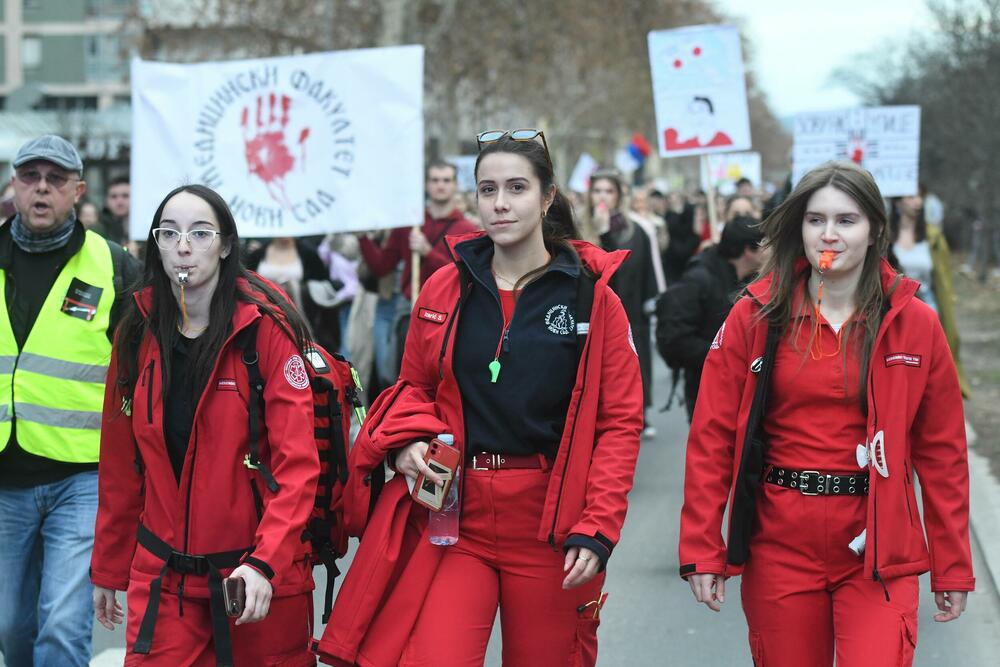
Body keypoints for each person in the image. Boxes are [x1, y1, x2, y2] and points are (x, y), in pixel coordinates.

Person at [316, 129, 643, 667]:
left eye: (516, 187)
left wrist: (599, 525)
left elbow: (619, 423)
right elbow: (412, 390)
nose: (500, 202)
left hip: (549, 523)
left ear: (547, 197)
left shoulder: (592, 296)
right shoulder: (444, 286)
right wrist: (406, 446)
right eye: (487, 189)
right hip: (454, 516)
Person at [679, 160, 975, 666]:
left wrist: (952, 564)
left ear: (875, 229)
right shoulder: (755, 313)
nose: (829, 234)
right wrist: (703, 546)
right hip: (780, 542)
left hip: (879, 545)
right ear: (798, 227)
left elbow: (943, 454)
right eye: (816, 220)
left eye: (846, 220)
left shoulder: (916, 324)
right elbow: (712, 438)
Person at [90, 185, 320, 666]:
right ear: (155, 244)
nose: (183, 245)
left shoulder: (266, 333)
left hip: (255, 582)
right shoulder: (136, 331)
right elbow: (120, 467)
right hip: (163, 580)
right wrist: (110, 567)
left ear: (227, 244)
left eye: (199, 232)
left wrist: (265, 563)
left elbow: (298, 467)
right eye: (169, 232)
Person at [0, 135, 139, 667]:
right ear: (14, 186)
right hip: (6, 478)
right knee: (12, 625)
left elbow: (141, 371)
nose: (41, 188)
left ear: (78, 192)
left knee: (62, 626)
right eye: (30, 176)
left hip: (81, 478)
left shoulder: (114, 265)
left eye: (55, 179)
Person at [656, 215, 765, 421]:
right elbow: (675, 339)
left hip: (741, 389)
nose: (771, 252)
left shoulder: (751, 281)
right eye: (765, 245)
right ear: (748, 251)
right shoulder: (698, 280)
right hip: (706, 391)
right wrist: (723, 355)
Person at [586, 170, 659, 436]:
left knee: (635, 362)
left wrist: (651, 301)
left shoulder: (634, 229)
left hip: (630, 308)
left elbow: (644, 269)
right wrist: (601, 232)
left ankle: (641, 411)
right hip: (591, 312)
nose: (602, 197)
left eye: (608, 191)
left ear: (618, 196)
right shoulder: (580, 228)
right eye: (597, 191)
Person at [888, 192, 970, 396]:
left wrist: (948, 303)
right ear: (897, 201)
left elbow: (943, 276)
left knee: (928, 364)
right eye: (911, 196)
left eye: (919, 196)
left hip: (929, 308)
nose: (917, 201)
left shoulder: (932, 236)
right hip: (896, 310)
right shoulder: (885, 236)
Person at [93, 176, 130, 245]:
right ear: (106, 201)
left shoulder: (146, 229)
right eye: (114, 196)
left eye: (125, 196)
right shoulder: (96, 231)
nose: (119, 202)